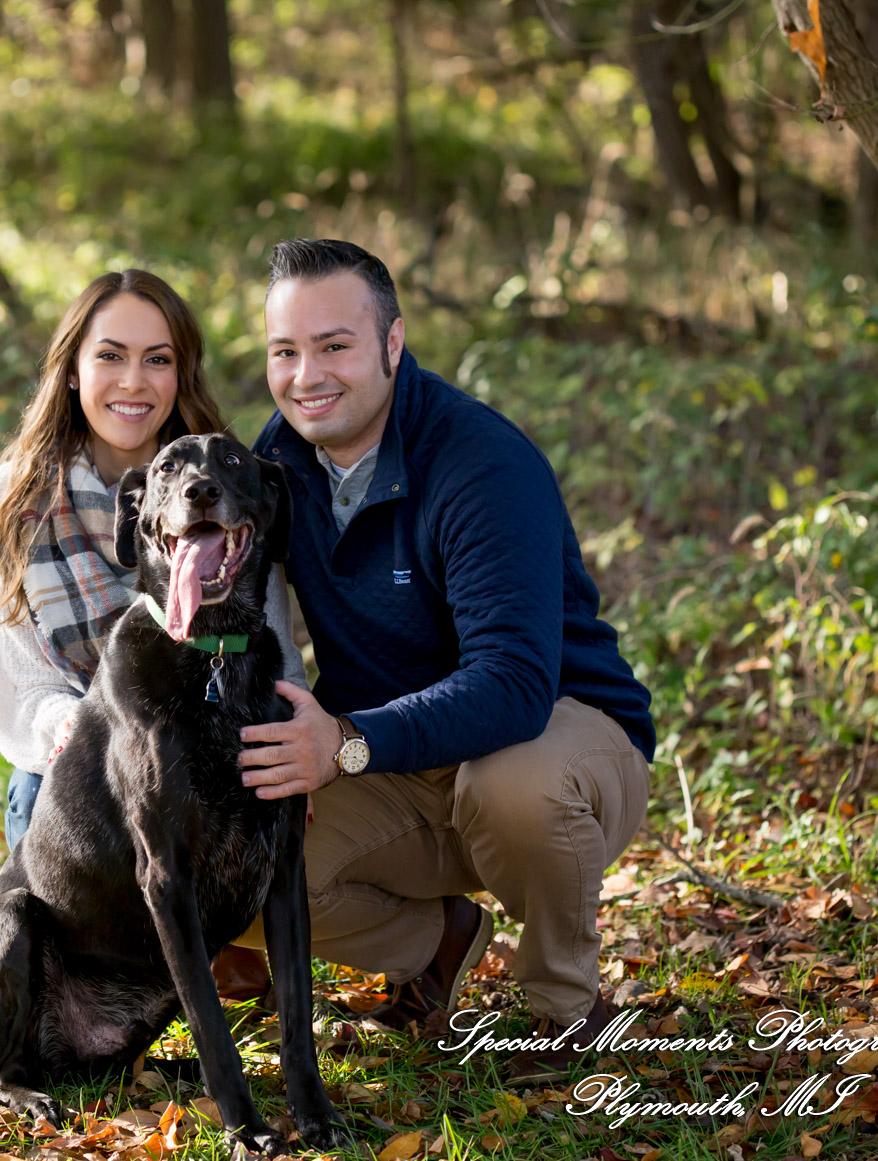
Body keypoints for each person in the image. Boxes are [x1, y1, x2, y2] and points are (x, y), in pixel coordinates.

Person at [234, 239, 654, 1079]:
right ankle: (440, 942)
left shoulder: (477, 462)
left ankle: (567, 1010)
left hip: (559, 734)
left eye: (335, 345)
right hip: (397, 757)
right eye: (286, 351)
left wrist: (345, 741)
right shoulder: (280, 462)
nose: (306, 374)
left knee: (511, 784)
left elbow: (513, 685)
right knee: (239, 862)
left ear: (393, 345)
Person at [0, 269, 309, 858]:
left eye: (158, 360)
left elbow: (266, 637)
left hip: (215, 742)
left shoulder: (227, 485)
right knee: (38, 791)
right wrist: (75, 726)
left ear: (180, 377)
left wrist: (289, 744)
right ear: (72, 371)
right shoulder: (11, 500)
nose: (134, 381)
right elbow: (21, 680)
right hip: (86, 745)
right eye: (110, 356)